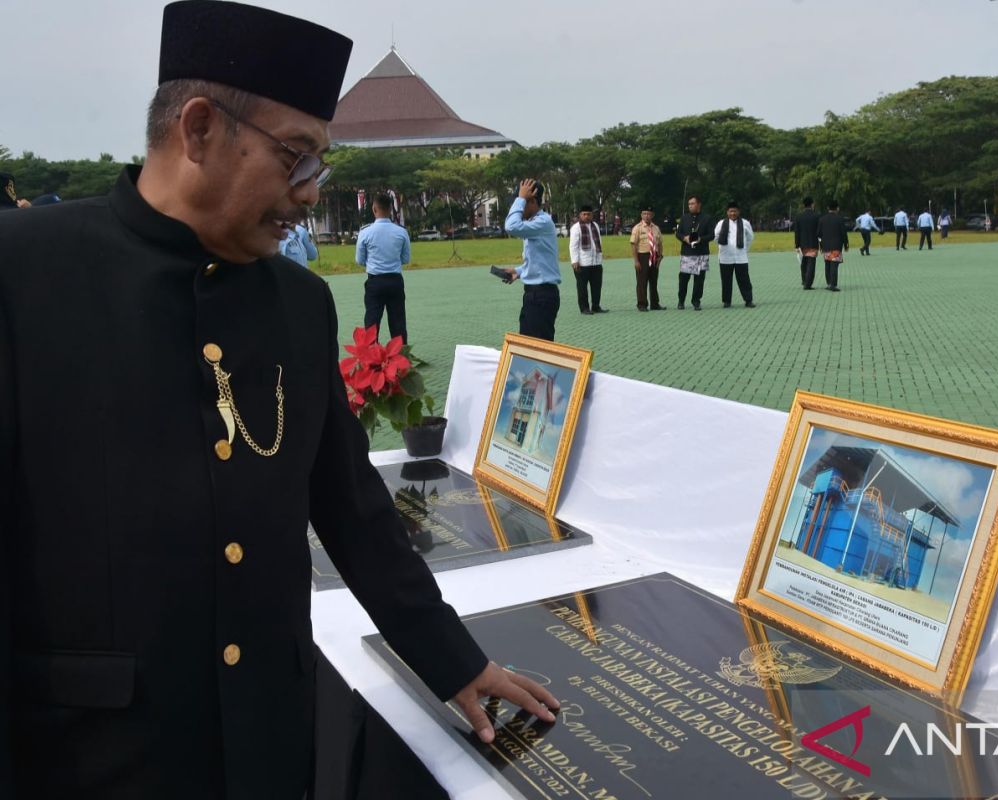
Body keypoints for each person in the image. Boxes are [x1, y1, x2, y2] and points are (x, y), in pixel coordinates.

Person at [0, 3, 558, 796]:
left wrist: (453, 659)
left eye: (317, 168)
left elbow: (352, 504)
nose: (307, 193)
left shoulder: (297, 303)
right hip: (94, 755)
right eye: (296, 158)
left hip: (267, 738)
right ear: (197, 130)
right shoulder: (23, 275)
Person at [502, 179, 561, 339]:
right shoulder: (534, 223)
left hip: (542, 295)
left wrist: (520, 198)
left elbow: (511, 227)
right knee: (528, 346)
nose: (518, 208)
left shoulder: (542, 221)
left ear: (533, 201)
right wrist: (519, 271)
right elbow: (540, 259)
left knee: (540, 350)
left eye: (521, 203)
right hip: (534, 294)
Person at [356, 193, 411, 342]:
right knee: (398, 322)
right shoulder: (401, 232)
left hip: (375, 282)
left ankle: (371, 360)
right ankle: (401, 358)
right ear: (390, 209)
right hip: (395, 281)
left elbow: (360, 260)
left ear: (374, 209)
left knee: (372, 323)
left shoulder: (365, 232)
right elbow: (405, 259)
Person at [675, 194, 714, 310]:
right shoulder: (684, 218)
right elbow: (678, 233)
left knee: (699, 280)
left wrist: (701, 239)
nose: (690, 206)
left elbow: (712, 235)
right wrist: (684, 238)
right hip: (687, 253)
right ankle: (681, 301)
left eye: (692, 203)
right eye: (689, 204)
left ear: (699, 204)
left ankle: (696, 301)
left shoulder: (707, 218)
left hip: (701, 253)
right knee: (683, 279)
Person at [715, 202, 755, 308]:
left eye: (735, 211)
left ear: (738, 212)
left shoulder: (745, 223)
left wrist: (745, 249)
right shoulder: (721, 223)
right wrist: (722, 247)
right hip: (725, 257)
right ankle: (727, 301)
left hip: (741, 257)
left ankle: (748, 300)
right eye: (730, 211)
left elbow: (750, 237)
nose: (733, 213)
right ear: (727, 212)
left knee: (744, 280)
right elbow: (716, 237)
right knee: (726, 281)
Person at [568, 204, 606, 314]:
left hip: (596, 262)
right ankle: (584, 308)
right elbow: (573, 246)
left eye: (589, 214)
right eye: (584, 214)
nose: (586, 216)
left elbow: (599, 242)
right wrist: (574, 261)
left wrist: (600, 258)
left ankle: (596, 306)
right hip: (582, 263)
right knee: (582, 288)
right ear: (580, 215)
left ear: (592, 215)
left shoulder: (595, 225)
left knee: (596, 286)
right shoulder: (576, 228)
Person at [629, 206, 664, 311]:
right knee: (642, 282)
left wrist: (660, 257)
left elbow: (660, 243)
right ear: (641, 215)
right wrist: (636, 261)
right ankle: (642, 304)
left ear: (652, 215)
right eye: (644, 214)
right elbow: (633, 245)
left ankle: (655, 304)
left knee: (654, 281)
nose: (646, 216)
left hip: (654, 256)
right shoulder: (637, 228)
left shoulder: (656, 228)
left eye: (649, 214)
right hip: (642, 256)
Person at [817, 200, 850, 291]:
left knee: (827, 265)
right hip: (836, 246)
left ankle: (828, 283)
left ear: (828, 208)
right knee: (834, 265)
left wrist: (820, 245)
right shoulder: (839, 219)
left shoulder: (822, 219)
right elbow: (844, 233)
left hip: (825, 246)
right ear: (837, 208)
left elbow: (818, 234)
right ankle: (833, 284)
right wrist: (846, 244)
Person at [793, 197, 821, 290]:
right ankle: (808, 284)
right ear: (812, 204)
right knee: (811, 263)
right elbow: (819, 231)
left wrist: (797, 245)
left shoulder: (799, 216)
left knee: (804, 262)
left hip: (802, 243)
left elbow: (797, 232)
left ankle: (804, 280)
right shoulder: (817, 216)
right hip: (813, 242)